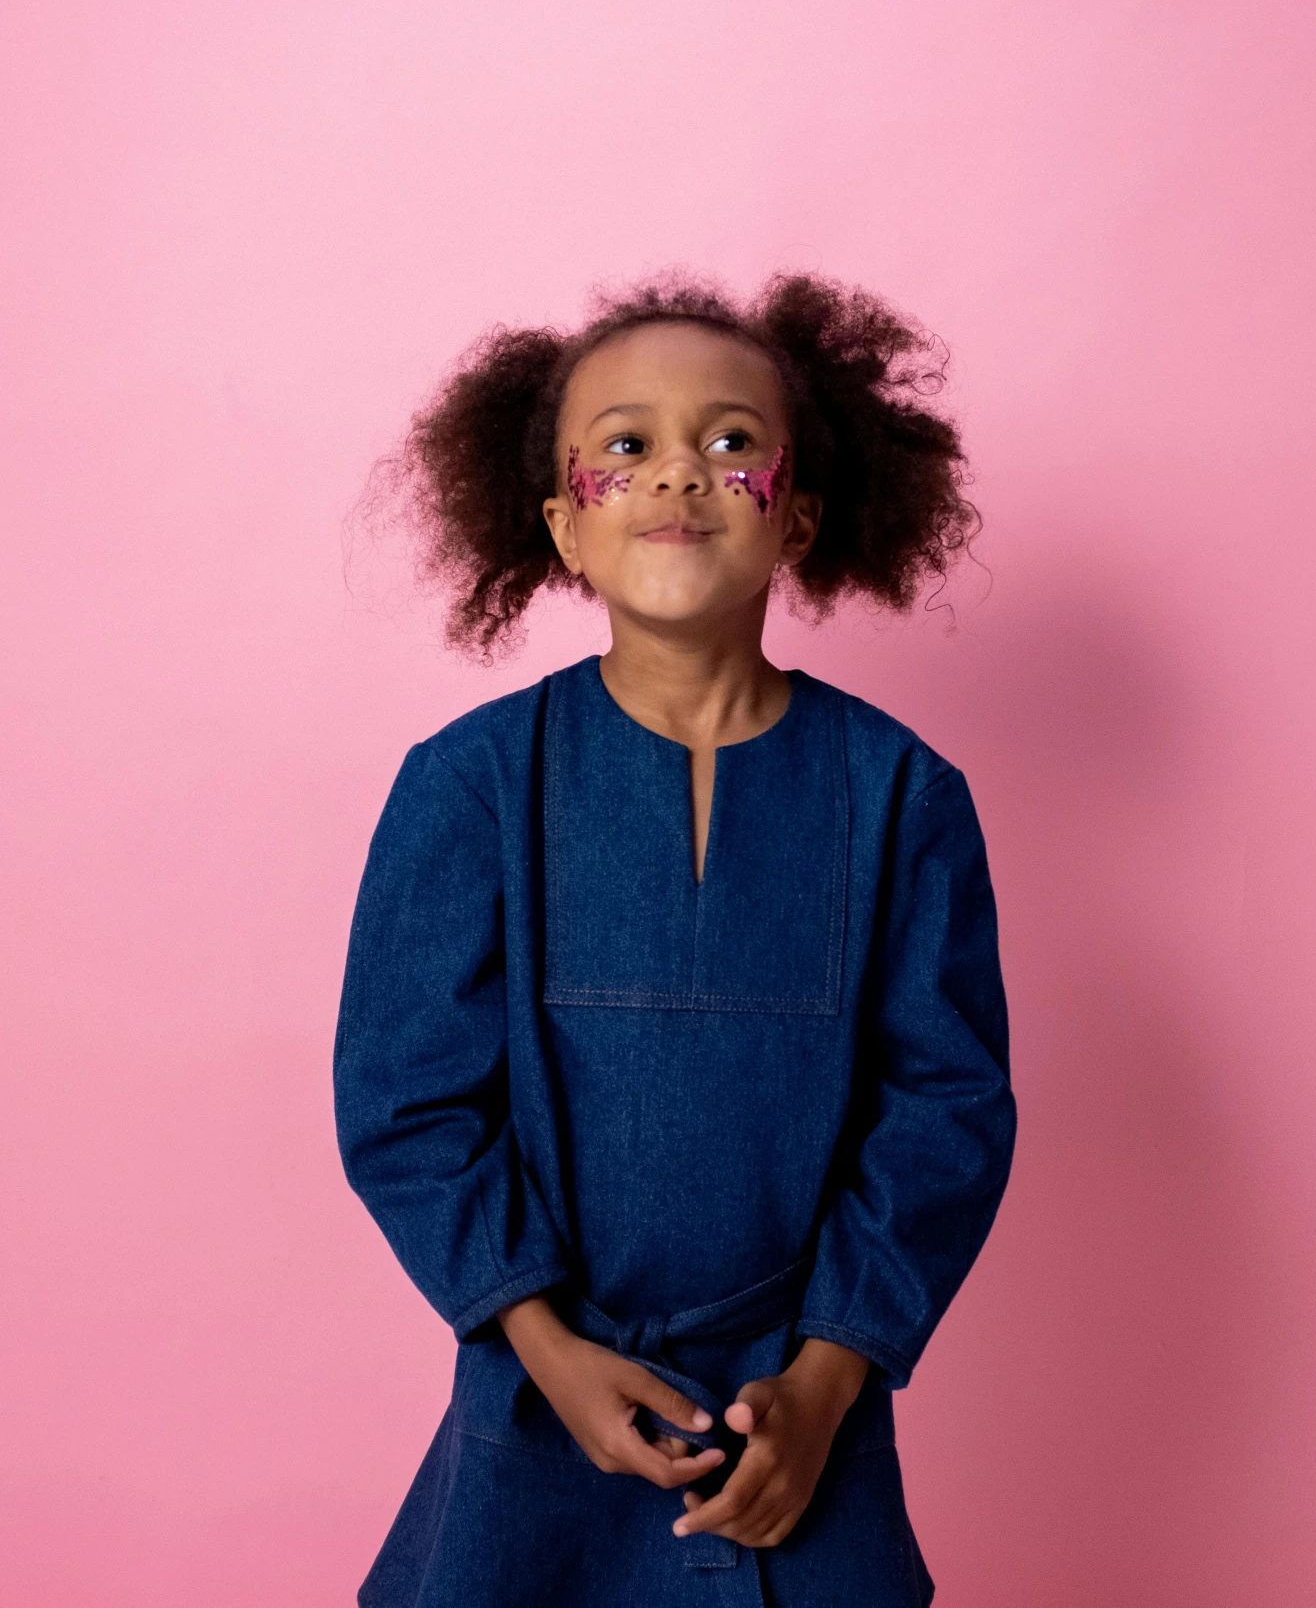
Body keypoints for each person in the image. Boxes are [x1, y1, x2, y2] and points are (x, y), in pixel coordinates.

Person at [333, 272, 1016, 1607]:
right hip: (541, 1407)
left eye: (730, 442)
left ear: (800, 513)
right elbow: (406, 1105)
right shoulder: (469, 783)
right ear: (561, 529)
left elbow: (945, 1108)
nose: (678, 477)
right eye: (626, 445)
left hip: (794, 1425)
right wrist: (544, 1342)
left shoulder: (900, 794)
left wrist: (821, 1386)